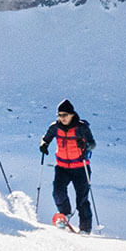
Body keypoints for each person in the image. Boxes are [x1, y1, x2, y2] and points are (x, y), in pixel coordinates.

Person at [37, 99, 95, 233]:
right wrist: (44, 145)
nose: (62, 118)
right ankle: (65, 214)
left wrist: (85, 145)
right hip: (62, 167)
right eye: (59, 115)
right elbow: (46, 138)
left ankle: (85, 229)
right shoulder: (55, 127)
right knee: (58, 191)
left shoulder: (81, 128)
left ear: (72, 115)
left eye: (65, 115)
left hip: (80, 167)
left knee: (82, 199)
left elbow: (92, 144)